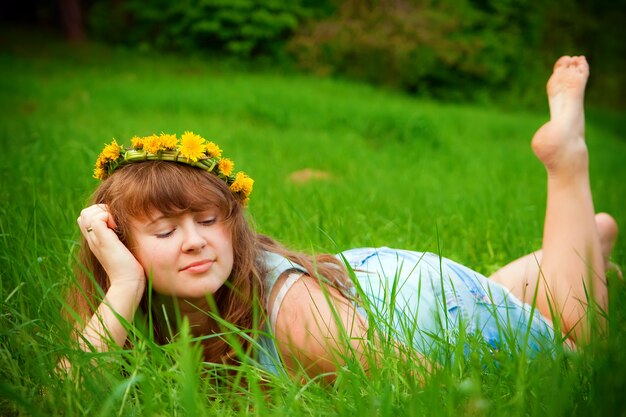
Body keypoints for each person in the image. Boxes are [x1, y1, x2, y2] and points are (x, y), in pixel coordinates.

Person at [68, 56, 619, 378]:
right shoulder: (124, 308)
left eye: (209, 221)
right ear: (117, 245)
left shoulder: (292, 313)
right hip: (371, 290)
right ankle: (586, 245)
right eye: (165, 231)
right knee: (596, 258)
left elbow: (427, 386)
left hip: (422, 311)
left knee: (583, 355)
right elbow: (64, 396)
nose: (195, 242)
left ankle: (567, 162)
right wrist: (124, 283)